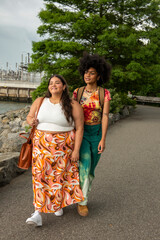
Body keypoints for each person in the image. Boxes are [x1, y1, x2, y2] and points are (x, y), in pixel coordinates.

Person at [26, 74, 84, 226]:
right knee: (40, 178)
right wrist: (31, 120)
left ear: (64, 86)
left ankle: (57, 204)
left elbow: (80, 128)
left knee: (59, 178)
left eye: (57, 83)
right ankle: (37, 213)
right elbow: (29, 116)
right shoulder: (40, 101)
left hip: (64, 148)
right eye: (51, 83)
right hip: (41, 148)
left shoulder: (73, 105)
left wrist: (76, 150)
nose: (53, 85)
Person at [72, 53, 111, 217]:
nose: (87, 75)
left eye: (92, 72)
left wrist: (103, 138)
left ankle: (82, 191)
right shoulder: (77, 93)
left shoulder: (104, 94)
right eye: (86, 72)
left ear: (99, 75)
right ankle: (82, 202)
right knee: (85, 165)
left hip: (96, 134)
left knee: (91, 170)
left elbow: (105, 116)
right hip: (81, 133)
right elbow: (71, 115)